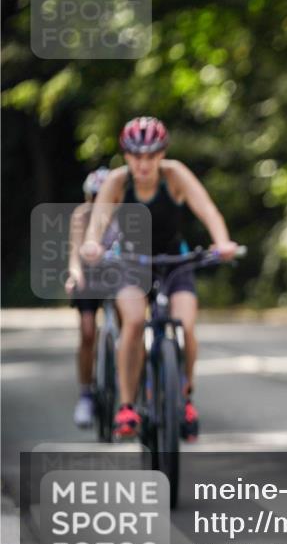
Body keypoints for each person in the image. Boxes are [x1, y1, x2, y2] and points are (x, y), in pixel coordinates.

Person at [81, 116, 238, 441]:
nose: (144, 163)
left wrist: (222, 242)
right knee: (134, 322)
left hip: (174, 261)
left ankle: (186, 397)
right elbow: (98, 221)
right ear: (126, 155)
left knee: (186, 324)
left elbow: (208, 210)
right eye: (136, 155)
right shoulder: (118, 182)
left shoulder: (175, 174)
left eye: (151, 155)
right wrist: (93, 244)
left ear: (162, 154)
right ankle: (127, 406)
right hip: (132, 262)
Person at [65, 167, 113, 427]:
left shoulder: (125, 214)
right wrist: (75, 275)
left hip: (118, 275)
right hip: (90, 277)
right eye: (95, 195)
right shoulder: (81, 216)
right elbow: (75, 254)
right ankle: (85, 393)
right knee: (87, 332)